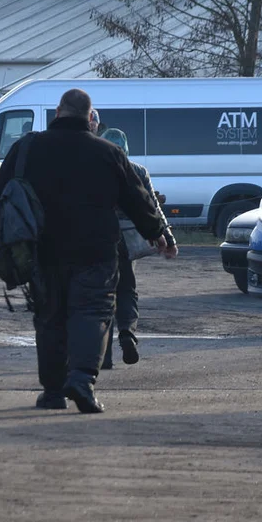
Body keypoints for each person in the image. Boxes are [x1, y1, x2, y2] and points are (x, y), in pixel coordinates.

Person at [0, 89, 168, 413]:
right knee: (92, 313)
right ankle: (82, 380)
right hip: (96, 251)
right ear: (90, 118)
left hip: (43, 251)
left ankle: (52, 392)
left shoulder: (28, 148)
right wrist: (157, 234)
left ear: (58, 111)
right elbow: (138, 197)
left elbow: (1, 192)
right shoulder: (109, 152)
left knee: (50, 319)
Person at [98, 128, 178, 370]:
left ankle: (104, 357)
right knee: (127, 289)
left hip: (100, 239)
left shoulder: (94, 170)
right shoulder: (138, 171)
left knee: (102, 294)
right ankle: (127, 334)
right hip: (130, 242)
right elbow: (152, 207)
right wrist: (168, 238)